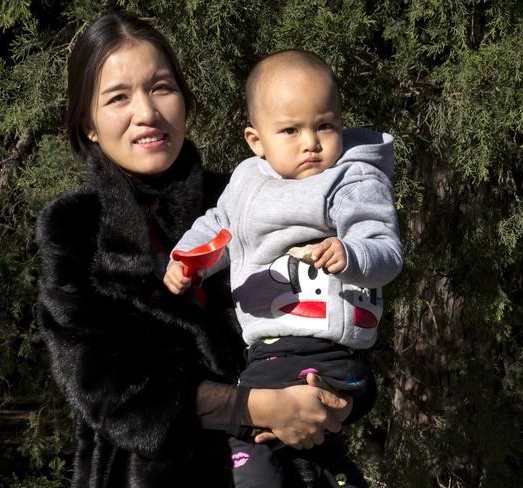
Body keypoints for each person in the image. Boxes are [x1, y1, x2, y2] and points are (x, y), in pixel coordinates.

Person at [36, 13, 368, 487]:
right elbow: (108, 391)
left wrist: (337, 394)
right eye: (117, 98)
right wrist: (256, 406)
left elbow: (337, 315)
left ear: (185, 101)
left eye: (162, 87)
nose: (146, 112)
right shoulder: (74, 226)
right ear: (88, 123)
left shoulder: (252, 197)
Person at [164, 50, 403, 488]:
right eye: (291, 130)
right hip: (269, 351)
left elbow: (385, 248)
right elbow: (217, 228)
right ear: (257, 141)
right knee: (319, 451)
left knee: (249, 441)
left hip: (329, 354)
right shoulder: (247, 183)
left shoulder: (352, 178)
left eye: (324, 125)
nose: (310, 142)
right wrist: (187, 261)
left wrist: (351, 254)